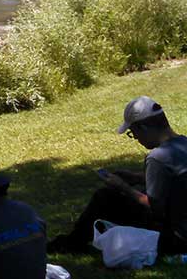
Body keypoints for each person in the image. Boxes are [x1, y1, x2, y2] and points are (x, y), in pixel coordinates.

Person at [47, 95, 187, 255]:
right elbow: (175, 180)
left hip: (177, 238)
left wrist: (123, 187)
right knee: (135, 190)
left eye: (133, 134)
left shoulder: (158, 157)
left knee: (106, 197)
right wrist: (136, 177)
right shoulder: (183, 144)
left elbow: (156, 208)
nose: (137, 139)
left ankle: (73, 243)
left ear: (144, 128)